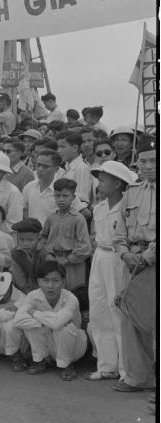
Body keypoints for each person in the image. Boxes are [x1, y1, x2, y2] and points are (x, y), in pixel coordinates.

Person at [112, 135, 156, 393]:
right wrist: (125, 253)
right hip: (134, 263)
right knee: (132, 320)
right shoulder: (131, 193)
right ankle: (139, 378)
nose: (148, 167)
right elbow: (119, 234)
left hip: (152, 262)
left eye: (154, 161)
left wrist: (147, 257)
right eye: (143, 162)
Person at [85, 161, 136, 382]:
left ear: (118, 183)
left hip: (119, 258)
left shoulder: (128, 207)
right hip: (100, 256)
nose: (100, 183)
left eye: (104, 179)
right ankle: (107, 365)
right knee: (98, 310)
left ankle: (127, 369)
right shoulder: (98, 207)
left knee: (118, 313)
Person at [13, 261, 88, 381]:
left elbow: (57, 323)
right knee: (32, 326)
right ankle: (42, 360)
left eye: (55, 280)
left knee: (64, 328)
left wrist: (35, 313)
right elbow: (18, 320)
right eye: (45, 280)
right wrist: (46, 322)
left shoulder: (71, 298)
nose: (50, 286)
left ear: (63, 282)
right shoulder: (33, 296)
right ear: (39, 281)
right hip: (51, 343)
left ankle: (66, 365)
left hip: (74, 346)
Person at [39, 178, 92, 292]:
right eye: (57, 196)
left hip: (73, 263)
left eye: (65, 196)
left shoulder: (78, 219)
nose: (61, 199)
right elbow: (43, 237)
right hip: (53, 261)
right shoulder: (52, 217)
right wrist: (48, 253)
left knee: (72, 293)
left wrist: (68, 260)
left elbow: (85, 247)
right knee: (54, 291)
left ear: (73, 197)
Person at [22, 149, 85, 225]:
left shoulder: (63, 189)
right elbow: (23, 209)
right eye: (38, 165)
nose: (40, 169)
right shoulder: (29, 187)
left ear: (56, 169)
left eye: (45, 166)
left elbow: (84, 213)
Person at [10, 218, 47, 295]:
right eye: (21, 239)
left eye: (30, 240)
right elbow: (20, 280)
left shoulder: (45, 253)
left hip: (44, 291)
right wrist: (30, 294)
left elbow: (48, 279)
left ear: (38, 237)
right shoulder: (15, 253)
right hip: (24, 292)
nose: (25, 243)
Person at [57, 130, 93, 206]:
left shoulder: (82, 168)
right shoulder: (66, 168)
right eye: (58, 147)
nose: (59, 151)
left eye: (63, 147)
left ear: (75, 148)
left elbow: (83, 199)